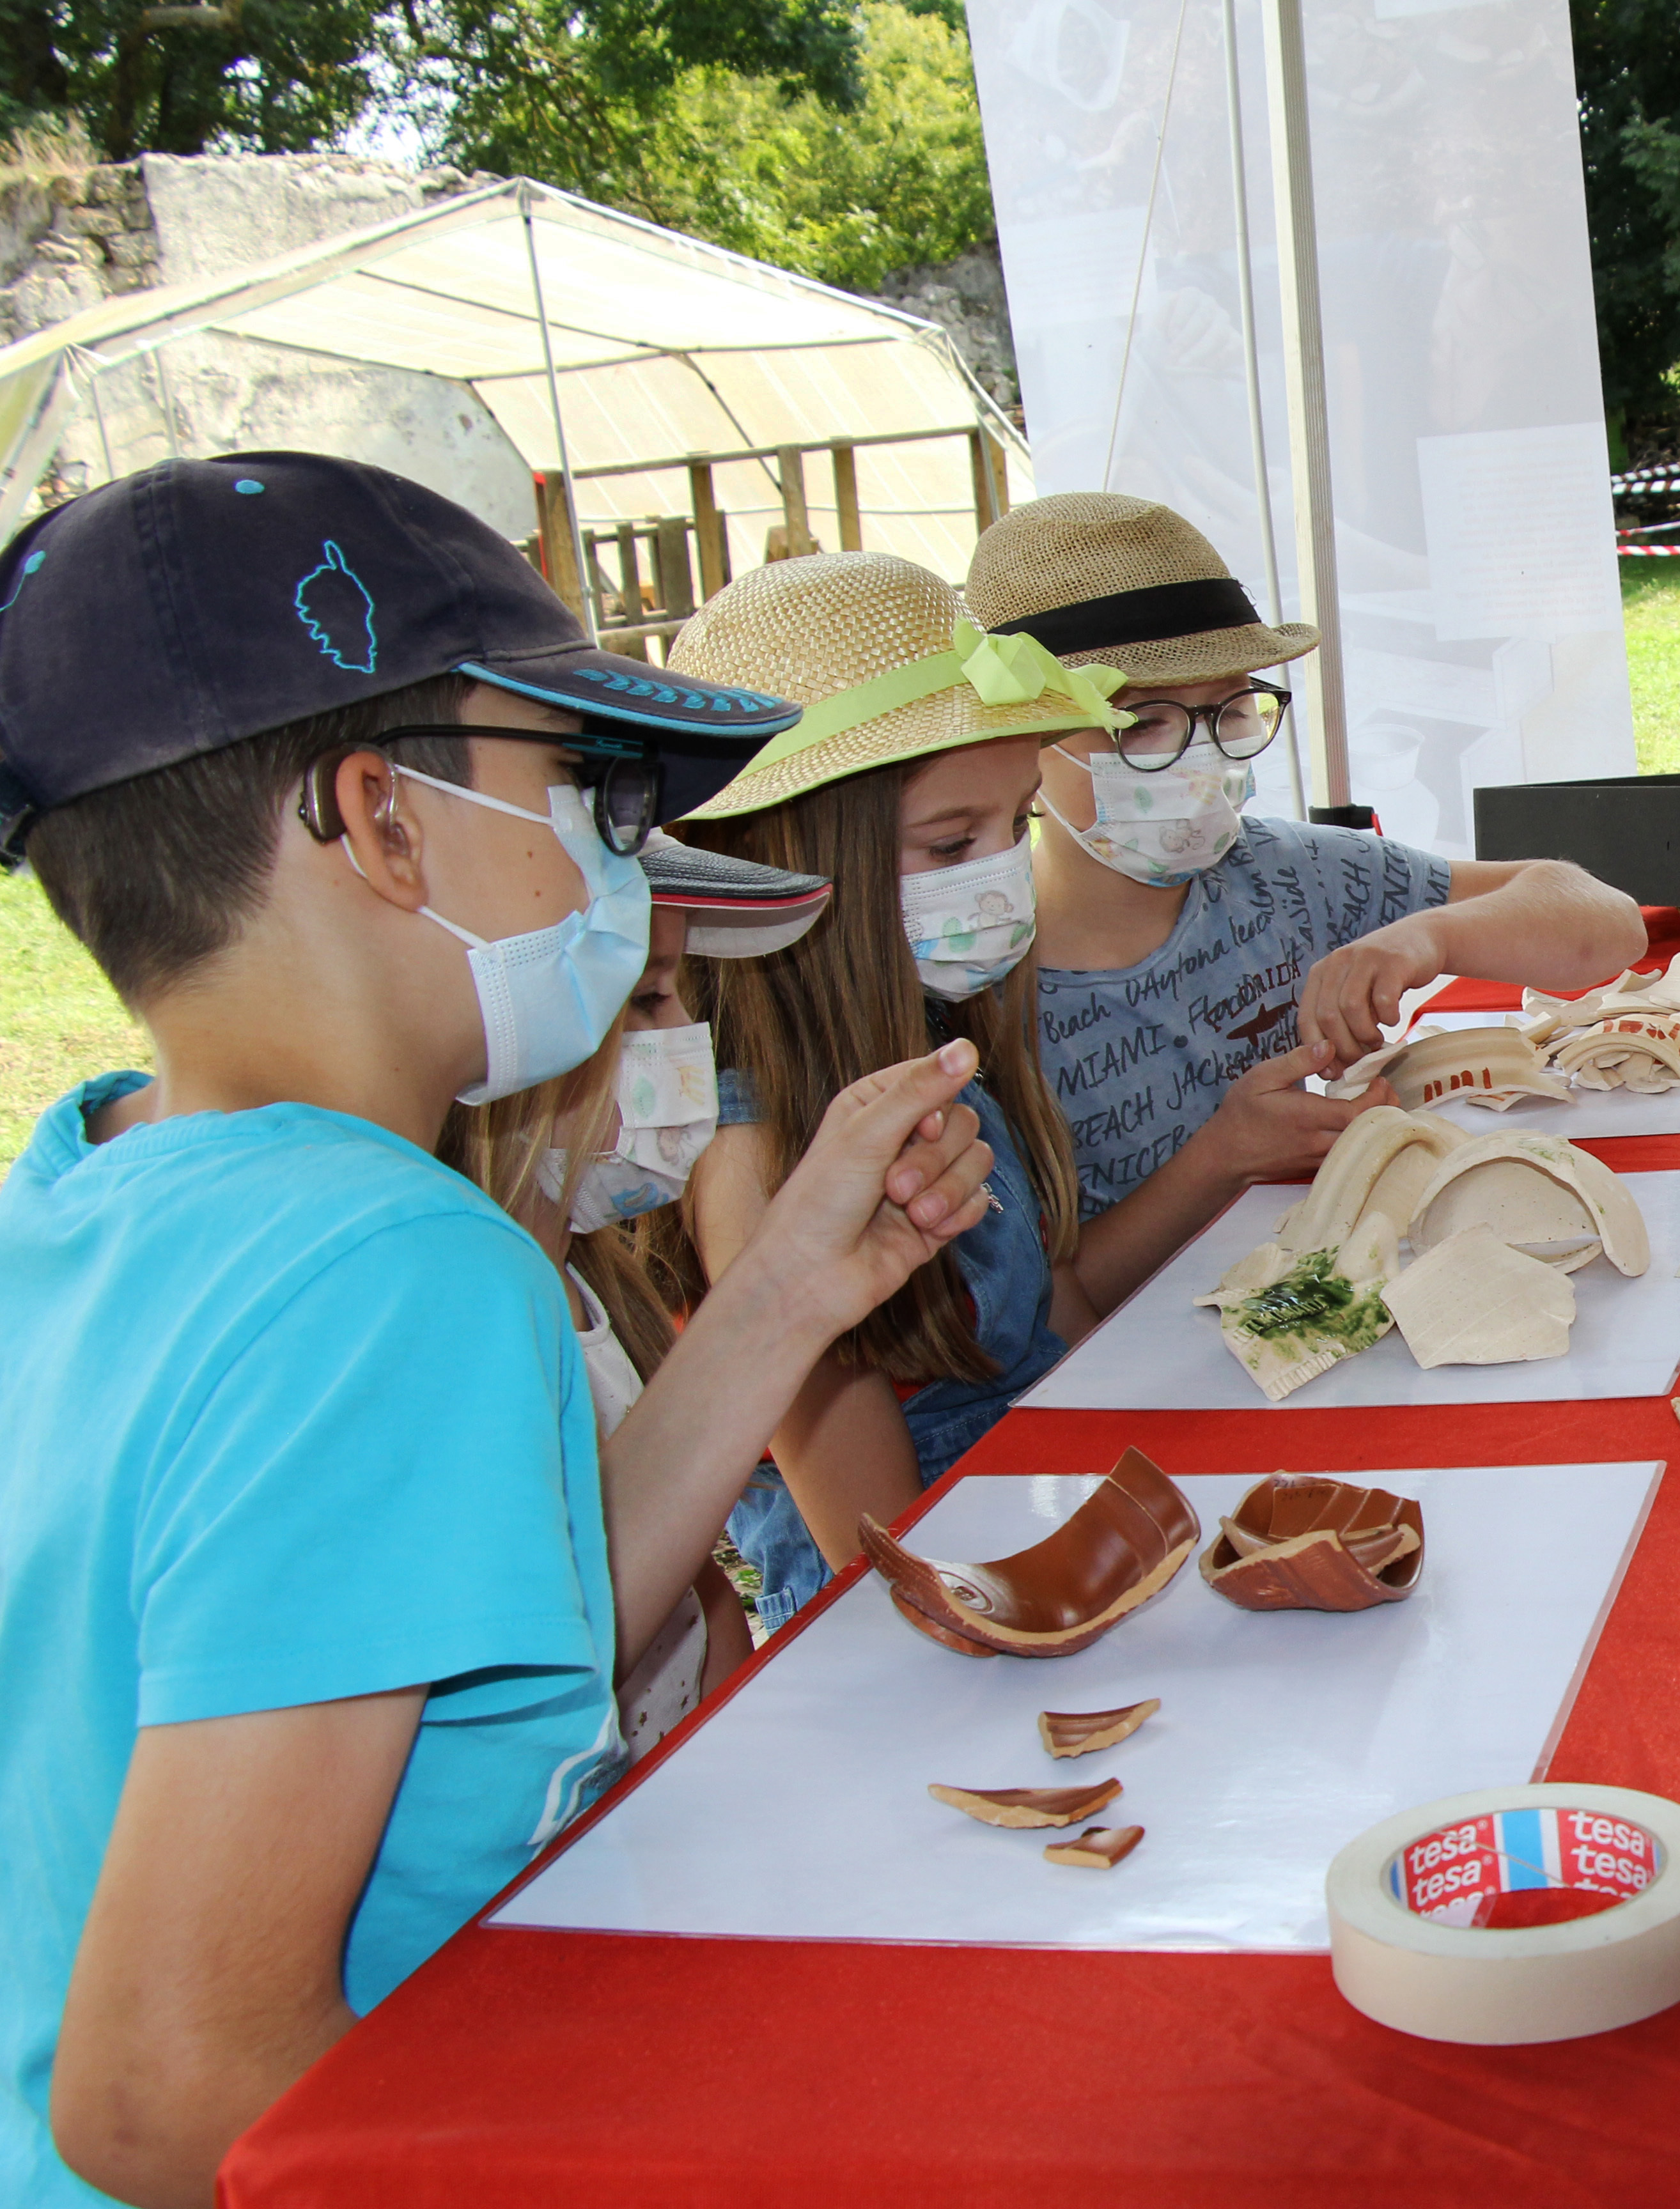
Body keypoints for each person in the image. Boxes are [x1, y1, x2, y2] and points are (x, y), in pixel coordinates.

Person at [0, 454, 1001, 2209]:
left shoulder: (98, 1185)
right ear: (386, 823)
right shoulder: (390, 1265)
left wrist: (783, 1297)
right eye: (588, 795)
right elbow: (169, 2094)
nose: (623, 866)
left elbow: (480, 1657)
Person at [961, 493, 1649, 1315]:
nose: (1202, 755)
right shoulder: (978, 996)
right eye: (1141, 723)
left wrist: (1430, 936)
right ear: (1017, 749)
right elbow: (1053, 1316)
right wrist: (1221, 1159)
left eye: (1228, 711)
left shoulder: (1284, 873)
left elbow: (1605, 922)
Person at [662, 552, 1117, 1627]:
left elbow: (1068, 1334)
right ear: (791, 857)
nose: (999, 870)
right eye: (951, 842)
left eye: (1016, 827)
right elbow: (883, 1564)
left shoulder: (939, 1045)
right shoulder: (755, 1160)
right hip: (942, 1617)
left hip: (1057, 1535)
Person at [441, 832, 836, 1751]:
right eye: (646, 998)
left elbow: (700, 1599)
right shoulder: (477, 1336)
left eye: (676, 995)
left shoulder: (589, 1290)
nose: (683, 1042)